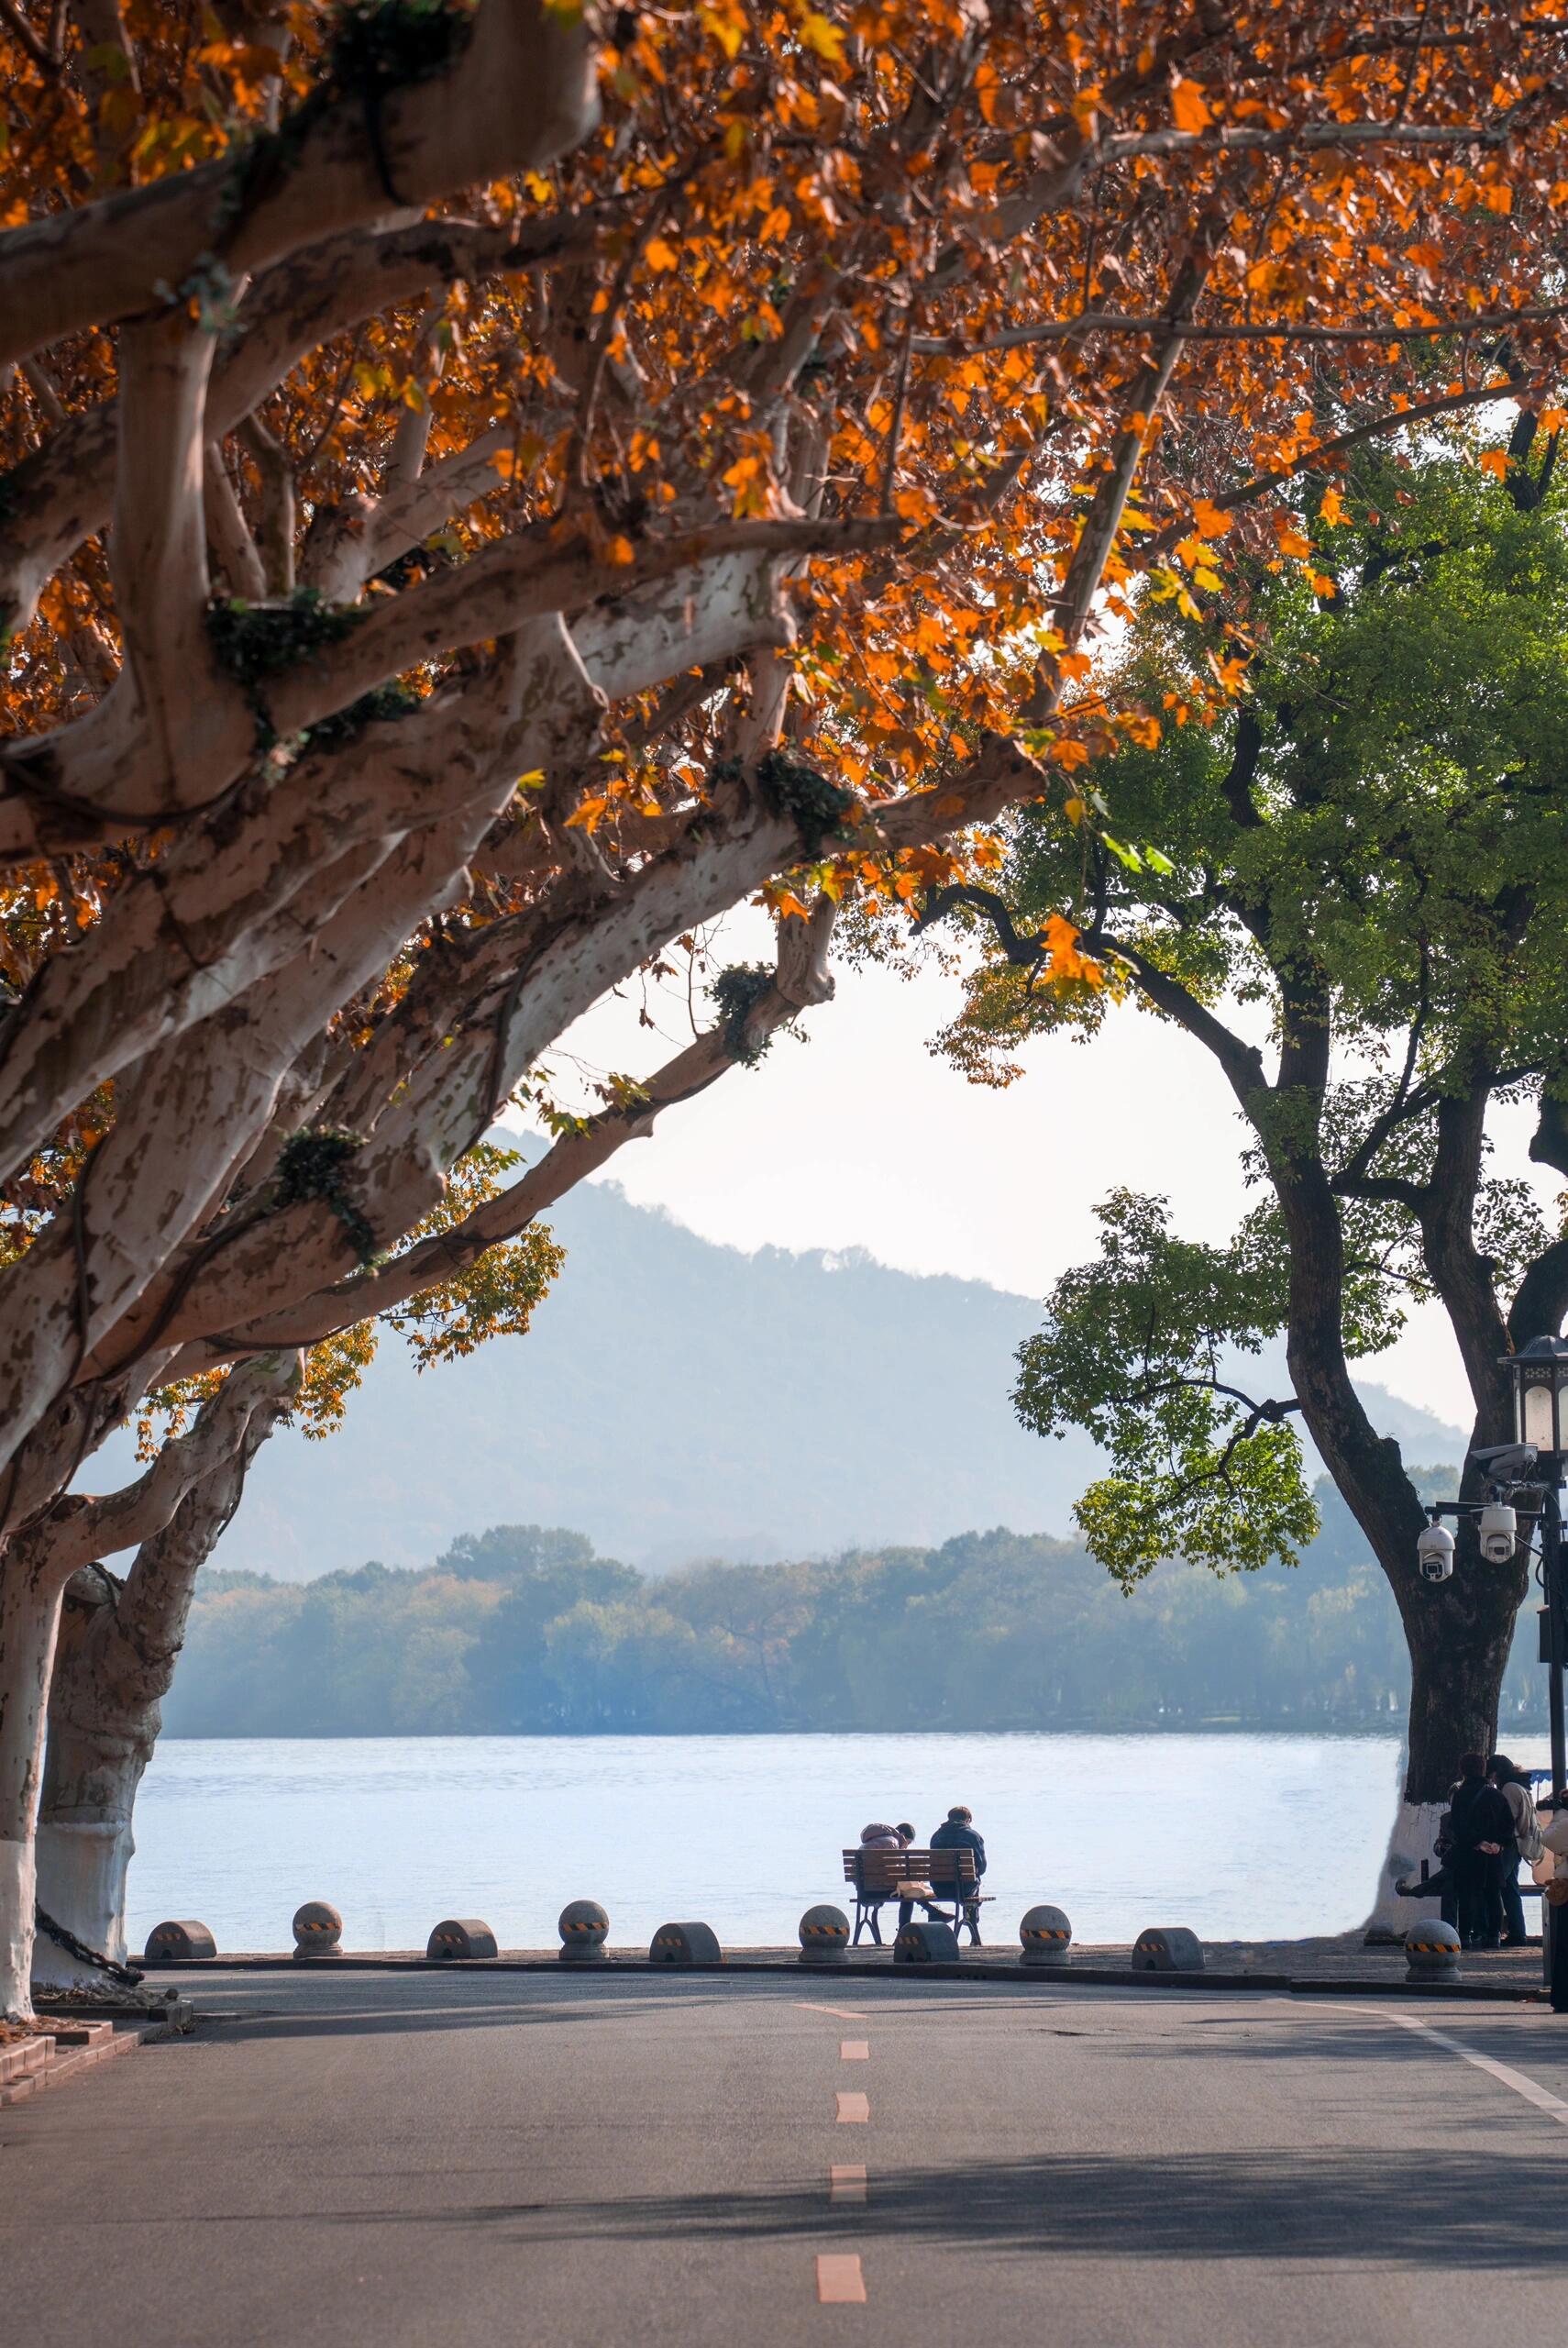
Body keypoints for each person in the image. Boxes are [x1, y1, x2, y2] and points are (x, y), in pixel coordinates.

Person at [1446, 1752, 1515, 1950]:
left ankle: (1465, 1935)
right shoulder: (1495, 1795)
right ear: (1483, 1769)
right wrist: (1498, 1843)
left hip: (1469, 1851)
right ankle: (1494, 1936)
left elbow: (1457, 1825)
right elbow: (1508, 1824)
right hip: (1493, 1853)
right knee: (1493, 1894)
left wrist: (1477, 1842)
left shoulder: (1460, 1795)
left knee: (1467, 1894)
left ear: (1463, 1770)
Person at [1488, 1755, 1542, 1946]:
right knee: (1510, 1888)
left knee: (1495, 1884)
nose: (1492, 1780)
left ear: (1496, 1773)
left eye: (1492, 1775)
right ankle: (1518, 1933)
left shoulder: (1509, 1788)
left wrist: (1497, 1840)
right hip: (1518, 1844)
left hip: (1509, 1844)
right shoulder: (1521, 1785)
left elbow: (1508, 1819)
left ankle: (1493, 1932)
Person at [932, 1804, 988, 1945]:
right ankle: (972, 1926)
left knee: (971, 1880)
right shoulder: (973, 1836)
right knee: (974, 1882)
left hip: (940, 1888)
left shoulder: (936, 1836)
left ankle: (971, 1925)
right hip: (965, 1889)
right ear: (968, 1820)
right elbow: (982, 1868)